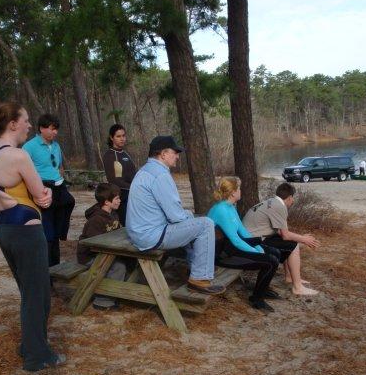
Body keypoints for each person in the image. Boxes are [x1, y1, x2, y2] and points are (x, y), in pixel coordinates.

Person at [0, 102, 66, 372]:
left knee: (28, 291)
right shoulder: (18, 156)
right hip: (26, 230)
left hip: (6, 228)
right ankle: (37, 356)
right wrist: (47, 195)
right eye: (26, 120)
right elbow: (42, 196)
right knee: (38, 294)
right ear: (13, 123)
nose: (30, 125)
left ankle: (30, 345)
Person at [126, 135, 225, 295]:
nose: (178, 156)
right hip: (150, 236)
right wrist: (190, 217)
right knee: (205, 224)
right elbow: (175, 217)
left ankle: (195, 267)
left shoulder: (144, 170)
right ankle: (199, 277)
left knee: (190, 220)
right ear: (163, 154)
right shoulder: (160, 175)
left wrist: (187, 216)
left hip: (138, 232)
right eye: (175, 152)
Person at [208, 177, 281, 312]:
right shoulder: (221, 210)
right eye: (239, 188)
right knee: (270, 262)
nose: (241, 191)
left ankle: (263, 290)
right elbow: (235, 240)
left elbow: (243, 232)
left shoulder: (230, 206)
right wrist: (257, 253)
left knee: (275, 252)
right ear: (233, 193)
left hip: (230, 246)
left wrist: (259, 247)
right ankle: (257, 299)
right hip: (222, 254)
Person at [243, 182, 319, 296]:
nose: (293, 201)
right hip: (252, 241)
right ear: (289, 197)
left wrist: (300, 237)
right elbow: (286, 235)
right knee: (293, 246)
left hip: (251, 237)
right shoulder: (279, 206)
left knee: (292, 243)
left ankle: (289, 277)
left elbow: (280, 231)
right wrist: (304, 239)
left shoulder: (271, 202)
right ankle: (297, 287)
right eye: (293, 198)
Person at [23, 113, 75, 267]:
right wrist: (36, 190)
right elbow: (25, 171)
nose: (55, 132)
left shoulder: (56, 146)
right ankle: (48, 272)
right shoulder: (29, 147)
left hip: (59, 186)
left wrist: (61, 175)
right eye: (52, 129)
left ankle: (60, 238)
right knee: (48, 233)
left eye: (56, 129)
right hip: (44, 188)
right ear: (41, 128)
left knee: (70, 202)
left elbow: (58, 166)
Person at [77, 183, 126, 310]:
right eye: (117, 199)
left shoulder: (114, 214)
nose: (120, 200)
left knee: (129, 261)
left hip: (106, 253)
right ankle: (102, 301)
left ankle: (116, 292)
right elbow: (95, 245)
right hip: (90, 256)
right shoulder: (96, 220)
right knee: (118, 267)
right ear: (106, 202)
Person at [102, 124, 137, 225]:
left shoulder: (126, 154)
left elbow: (133, 174)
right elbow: (113, 180)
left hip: (132, 194)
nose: (122, 139)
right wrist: (133, 188)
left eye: (123, 136)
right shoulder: (109, 155)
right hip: (120, 196)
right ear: (111, 138)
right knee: (126, 225)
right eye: (118, 136)